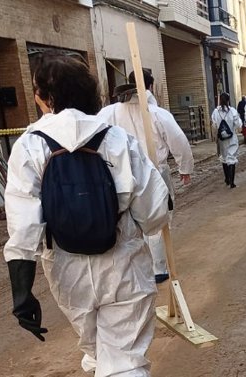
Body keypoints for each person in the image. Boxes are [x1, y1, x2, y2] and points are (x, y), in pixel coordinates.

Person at [4, 51, 168, 375]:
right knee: (124, 359)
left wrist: (21, 294)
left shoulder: (29, 145)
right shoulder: (118, 139)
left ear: (45, 97)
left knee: (96, 353)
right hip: (123, 264)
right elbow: (153, 213)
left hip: (67, 272)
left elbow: (23, 228)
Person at [98, 70, 194, 284]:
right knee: (157, 218)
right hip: (153, 175)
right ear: (150, 86)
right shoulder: (156, 113)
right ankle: (158, 267)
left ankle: (133, 269)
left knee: (126, 222)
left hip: (118, 176)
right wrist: (184, 169)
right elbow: (179, 141)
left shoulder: (108, 113)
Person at [211, 92, 242, 187]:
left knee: (224, 158)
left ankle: (227, 179)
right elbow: (238, 125)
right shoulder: (232, 111)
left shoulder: (216, 112)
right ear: (229, 100)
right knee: (231, 158)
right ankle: (232, 182)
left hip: (222, 139)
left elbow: (214, 125)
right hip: (232, 137)